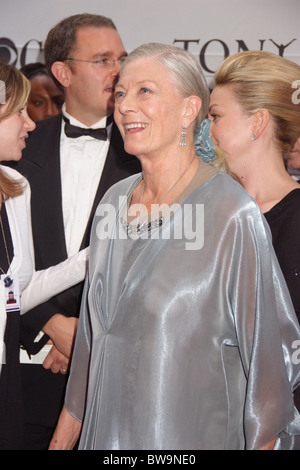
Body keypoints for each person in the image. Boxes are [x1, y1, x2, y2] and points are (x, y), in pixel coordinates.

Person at [49, 43, 300, 451]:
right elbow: (92, 343)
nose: (127, 105)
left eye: (145, 91)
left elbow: (268, 371)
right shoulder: (113, 202)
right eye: (121, 93)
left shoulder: (231, 214)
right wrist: (63, 440)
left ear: (188, 110)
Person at [7, 13, 141, 450]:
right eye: (102, 59)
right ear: (62, 72)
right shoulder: (18, 150)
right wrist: (48, 326)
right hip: (24, 367)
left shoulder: (144, 158)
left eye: (121, 58)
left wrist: (85, 333)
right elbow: (8, 267)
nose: (118, 71)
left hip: (112, 375)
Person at [0, 62, 88, 449]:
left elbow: (17, 291)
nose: (31, 124)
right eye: (20, 111)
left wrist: (99, 253)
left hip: (7, 380)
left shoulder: (16, 185)